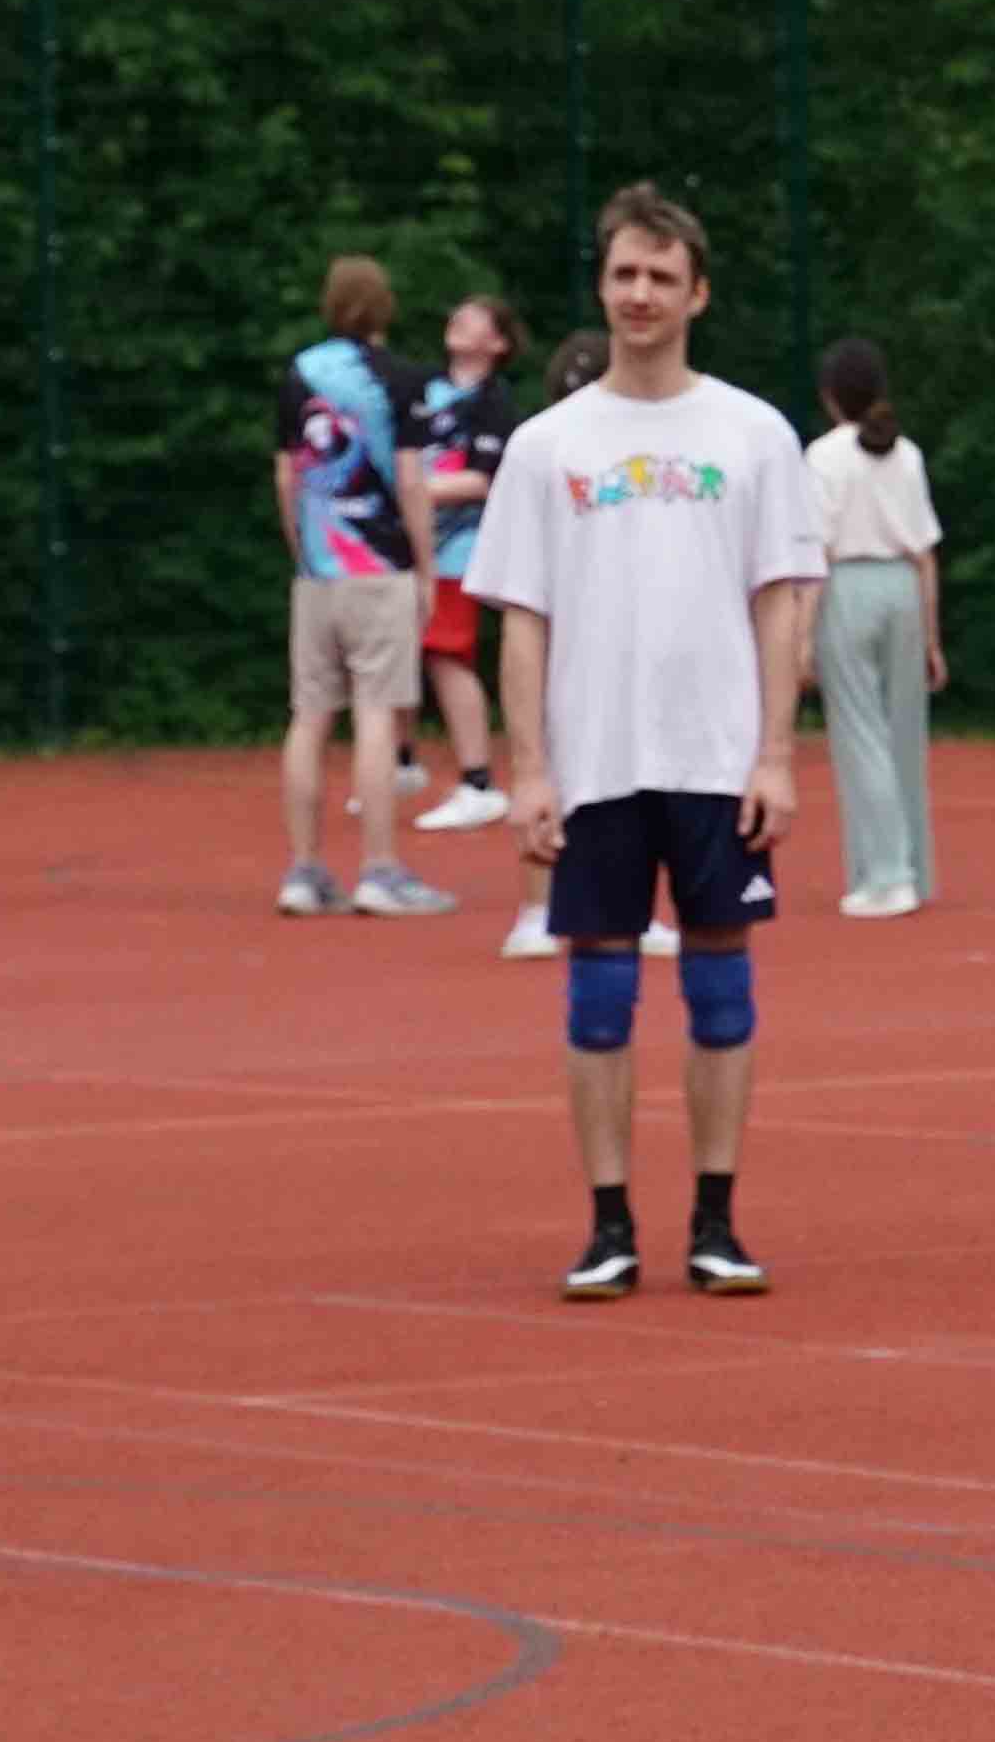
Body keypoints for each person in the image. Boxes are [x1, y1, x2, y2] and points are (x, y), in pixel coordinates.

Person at [471, 186, 820, 1299]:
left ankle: (715, 1221)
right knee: (599, 998)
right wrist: (529, 769)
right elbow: (520, 617)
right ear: (602, 284)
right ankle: (608, 1224)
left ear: (697, 293)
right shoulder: (546, 445)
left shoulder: (754, 433)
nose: (640, 293)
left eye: (661, 277)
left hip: (716, 756)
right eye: (624, 273)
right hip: (596, 760)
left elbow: (782, 603)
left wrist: (774, 752)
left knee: (721, 991)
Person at [274, 255, 451, 919]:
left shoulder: (298, 374)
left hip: (317, 573)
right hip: (379, 571)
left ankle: (304, 870)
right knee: (377, 713)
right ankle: (380, 868)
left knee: (310, 714)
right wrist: (426, 568)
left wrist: (305, 554)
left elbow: (287, 478)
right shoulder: (401, 380)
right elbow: (410, 481)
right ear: (385, 306)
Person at [806, 336, 945, 919]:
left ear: (830, 395)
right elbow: (926, 554)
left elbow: (814, 552)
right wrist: (933, 638)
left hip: (848, 588)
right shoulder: (906, 453)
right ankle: (907, 868)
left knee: (860, 735)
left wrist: (797, 639)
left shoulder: (823, 456)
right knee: (903, 736)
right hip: (903, 592)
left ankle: (886, 876)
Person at [410, 295, 528, 843]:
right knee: (395, 651)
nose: (457, 318)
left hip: (459, 551)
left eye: (475, 316)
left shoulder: (493, 403)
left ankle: (479, 783)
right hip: (409, 548)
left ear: (498, 343)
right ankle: (398, 763)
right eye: (454, 312)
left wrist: (410, 492)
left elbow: (482, 480)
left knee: (446, 656)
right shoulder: (423, 392)